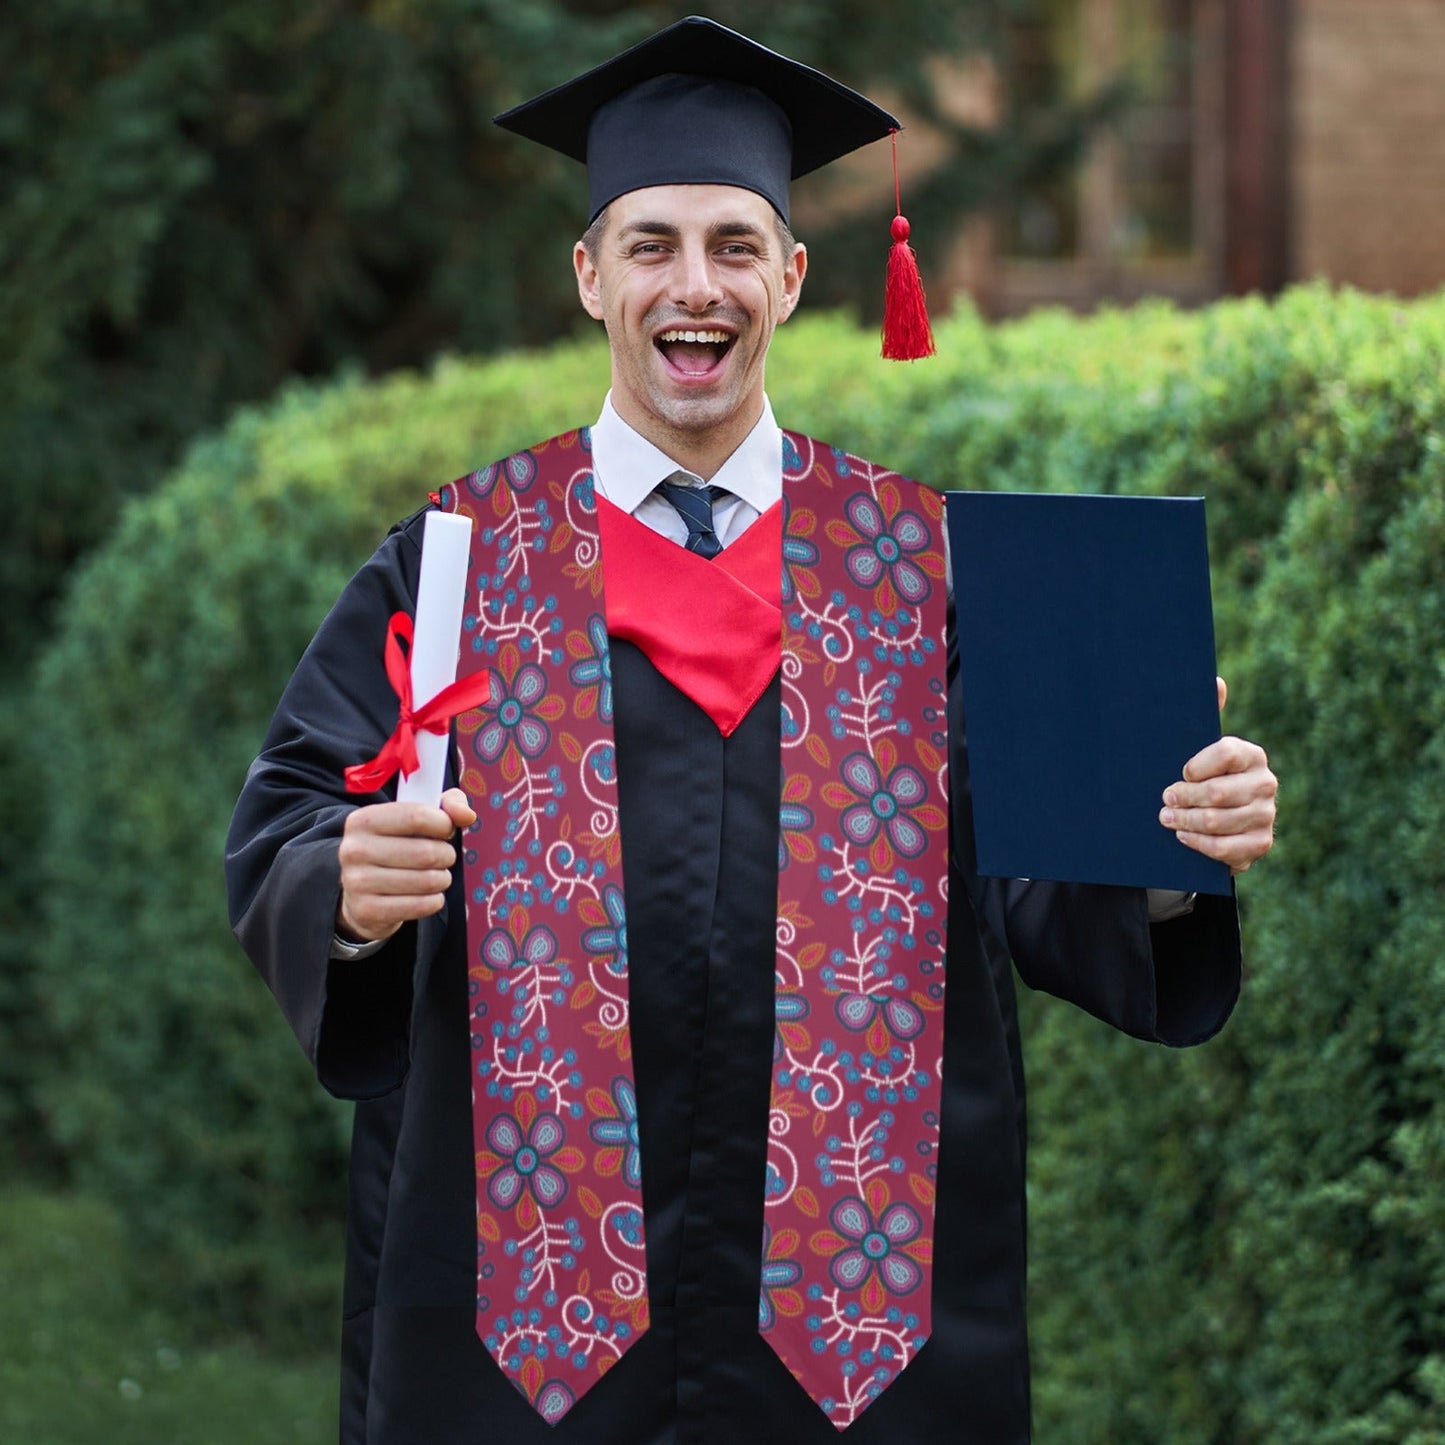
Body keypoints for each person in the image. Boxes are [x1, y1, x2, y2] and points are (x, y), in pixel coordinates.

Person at [225, 17, 1277, 1445]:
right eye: (650, 244)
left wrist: (1166, 843)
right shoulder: (463, 561)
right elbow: (290, 817)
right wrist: (342, 887)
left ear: (789, 275)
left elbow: (1040, 883)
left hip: (861, 1325)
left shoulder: (928, 571)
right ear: (589, 275)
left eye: (732, 244)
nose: (692, 285)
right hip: (522, 1327)